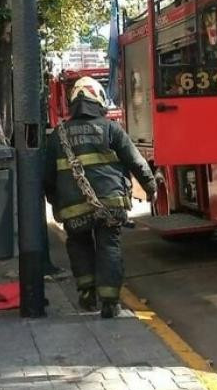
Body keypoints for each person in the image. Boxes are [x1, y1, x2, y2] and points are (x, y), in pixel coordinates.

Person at [44, 77, 156, 318]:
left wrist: (55, 202)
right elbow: (135, 161)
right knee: (109, 246)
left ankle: (87, 293)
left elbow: (46, 176)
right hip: (110, 205)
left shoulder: (57, 135)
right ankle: (110, 302)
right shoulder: (110, 128)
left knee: (79, 244)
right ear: (99, 100)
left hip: (73, 209)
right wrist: (151, 187)